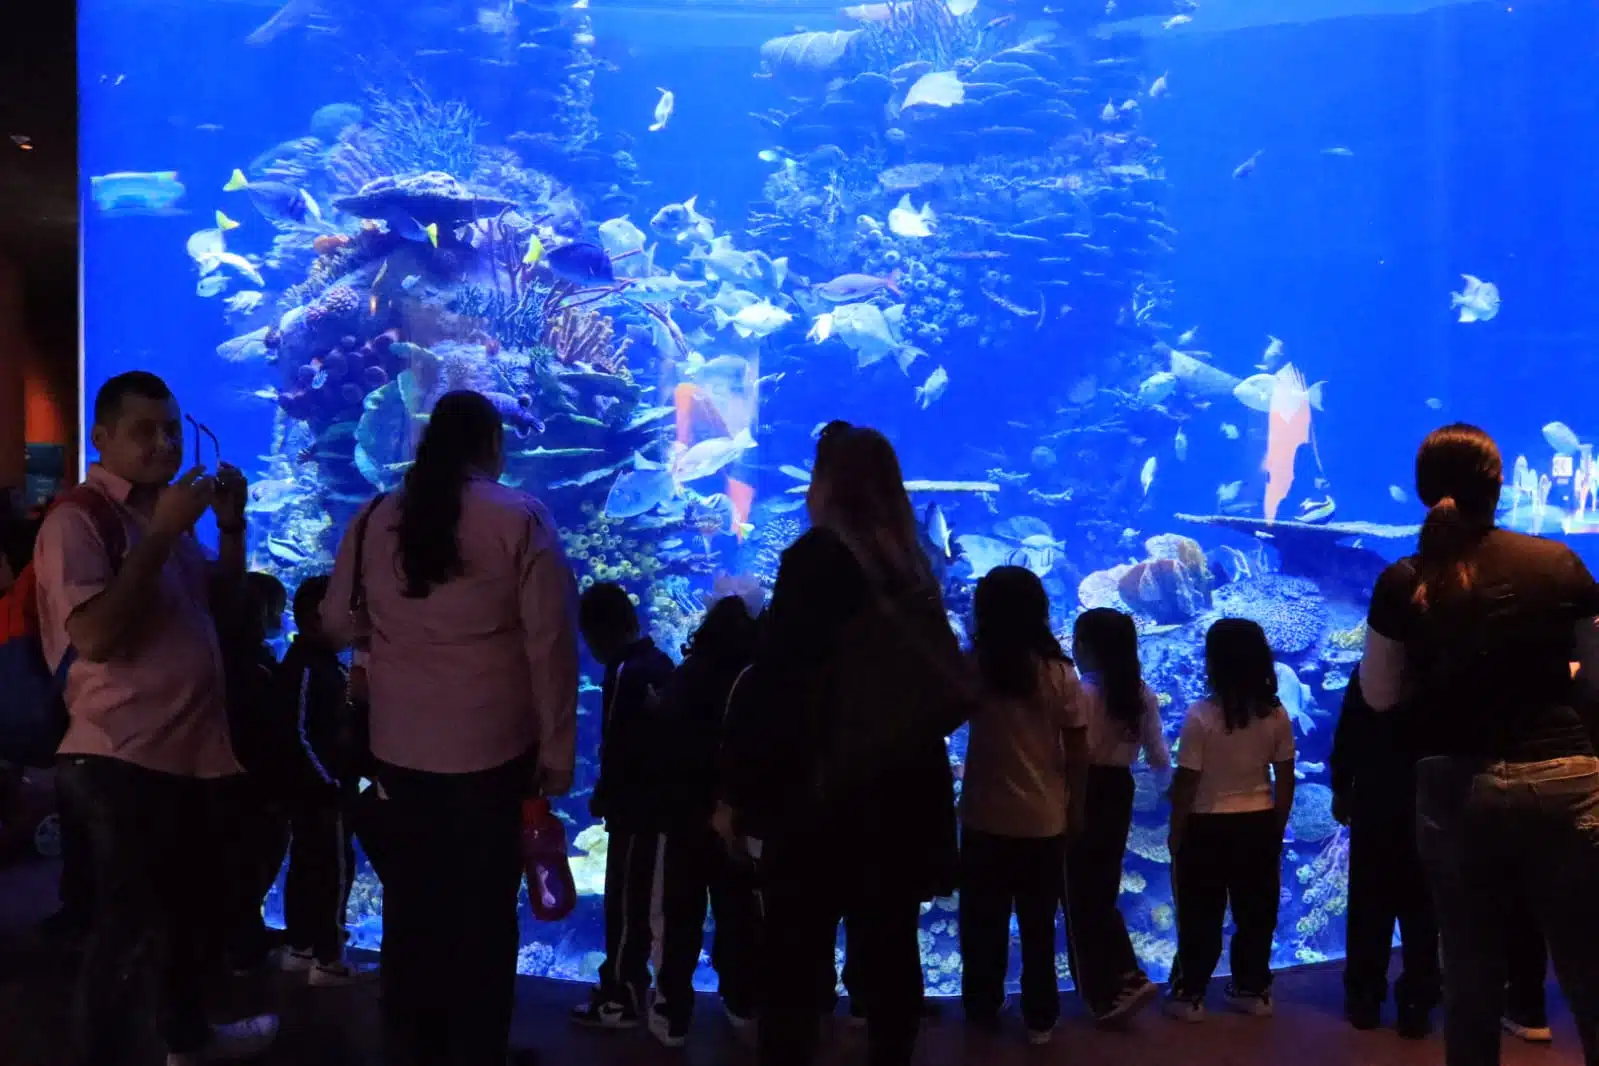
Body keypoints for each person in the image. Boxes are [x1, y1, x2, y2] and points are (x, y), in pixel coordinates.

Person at [323, 389, 580, 1066]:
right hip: (493, 751)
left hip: (400, 752)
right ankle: (477, 1048)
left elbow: (335, 622)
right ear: (491, 445)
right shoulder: (520, 517)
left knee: (412, 903)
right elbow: (550, 644)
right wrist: (558, 750)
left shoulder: (376, 515)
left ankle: (409, 1039)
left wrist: (394, 640)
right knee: (484, 913)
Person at [34, 370, 277, 1065]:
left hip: (184, 748)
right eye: (145, 430)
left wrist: (228, 529)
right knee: (126, 927)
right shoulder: (79, 520)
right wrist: (166, 534)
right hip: (118, 751)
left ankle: (187, 1040)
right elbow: (98, 637)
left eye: (171, 428)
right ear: (100, 437)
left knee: (186, 911)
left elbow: (225, 616)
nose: (164, 442)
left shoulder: (155, 518)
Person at [722, 422, 965, 1066]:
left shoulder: (818, 559)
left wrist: (740, 796)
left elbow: (780, 685)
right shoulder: (914, 561)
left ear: (827, 484)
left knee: (797, 959)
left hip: (824, 794)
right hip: (904, 788)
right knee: (889, 953)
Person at [1360, 423, 1599, 1066]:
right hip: (1567, 781)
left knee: (1469, 980)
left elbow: (1378, 694)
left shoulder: (1403, 579)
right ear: (1500, 487)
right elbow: (1598, 674)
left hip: (1455, 789)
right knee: (1590, 969)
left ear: (1423, 491)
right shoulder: (1559, 564)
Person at [958, 566, 1086, 1045]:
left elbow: (942, 717)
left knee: (981, 922)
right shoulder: (1060, 673)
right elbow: (1077, 749)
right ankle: (1040, 1018)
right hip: (1043, 818)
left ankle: (983, 1005)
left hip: (984, 817)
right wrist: (1078, 808)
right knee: (1037, 925)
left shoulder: (974, 668)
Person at [1165, 618, 1295, 1022]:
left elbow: (1187, 780)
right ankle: (1251, 989)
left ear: (1213, 664)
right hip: (1257, 823)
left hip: (1206, 825)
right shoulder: (1275, 715)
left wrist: (1176, 829)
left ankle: (1190, 995)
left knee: (1199, 912)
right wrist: (1277, 823)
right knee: (1256, 912)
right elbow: (1285, 777)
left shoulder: (1200, 716)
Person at [655, 584, 765, 1046]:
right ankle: (741, 1001)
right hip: (734, 819)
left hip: (684, 816)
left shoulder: (685, 675)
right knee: (738, 912)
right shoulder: (755, 680)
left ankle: (674, 1013)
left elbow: (664, 743)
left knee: (680, 916)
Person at [569, 580, 677, 1033]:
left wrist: (604, 793)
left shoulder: (626, 671)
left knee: (627, 908)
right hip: (657, 807)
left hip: (637, 812)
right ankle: (627, 987)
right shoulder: (660, 663)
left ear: (601, 632)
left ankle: (621, 998)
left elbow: (617, 744)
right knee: (639, 905)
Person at [1064, 606, 1169, 1024]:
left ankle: (1110, 990)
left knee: (1078, 894)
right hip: (1119, 790)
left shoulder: (1083, 693)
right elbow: (1159, 756)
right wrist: (1168, 796)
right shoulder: (1141, 693)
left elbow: (1074, 753)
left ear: (1086, 648)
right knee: (1101, 887)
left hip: (1083, 789)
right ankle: (1123, 977)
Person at [1329, 665, 1439, 1039]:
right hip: (1431, 804)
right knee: (1423, 911)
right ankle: (1418, 1005)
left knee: (1369, 906)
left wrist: (1342, 786)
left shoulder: (1371, 672)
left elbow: (1348, 733)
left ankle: (1364, 1000)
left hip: (1376, 799)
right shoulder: (1446, 664)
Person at [276, 575, 372, 985]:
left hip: (321, 787)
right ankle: (329, 958)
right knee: (334, 868)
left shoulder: (324, 666)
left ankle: (302, 947)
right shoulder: (307, 668)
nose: (355, 622)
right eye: (347, 613)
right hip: (322, 791)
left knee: (308, 864)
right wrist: (328, 783)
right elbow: (295, 732)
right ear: (317, 619)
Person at [216, 570, 290, 975]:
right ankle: (241, 945)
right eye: (275, 611)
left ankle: (241, 933)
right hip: (252, 788)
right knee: (251, 862)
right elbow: (267, 731)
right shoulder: (254, 671)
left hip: (225, 784)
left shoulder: (215, 660)